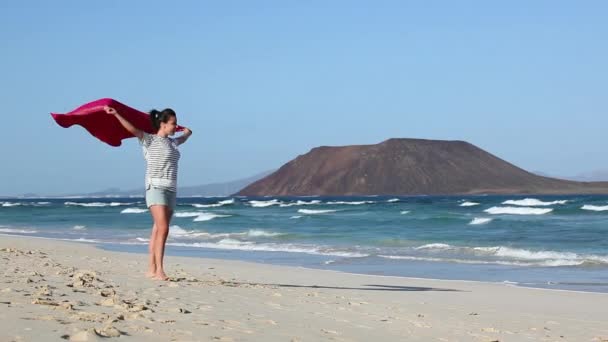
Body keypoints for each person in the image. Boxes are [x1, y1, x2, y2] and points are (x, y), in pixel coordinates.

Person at [104, 105, 192, 280]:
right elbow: (132, 129)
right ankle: (160, 270)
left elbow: (188, 134)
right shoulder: (149, 140)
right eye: (173, 123)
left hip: (171, 190)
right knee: (163, 228)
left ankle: (151, 269)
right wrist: (117, 114)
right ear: (163, 124)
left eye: (176, 123)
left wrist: (184, 130)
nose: (175, 126)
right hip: (156, 188)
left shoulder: (173, 143)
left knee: (156, 230)